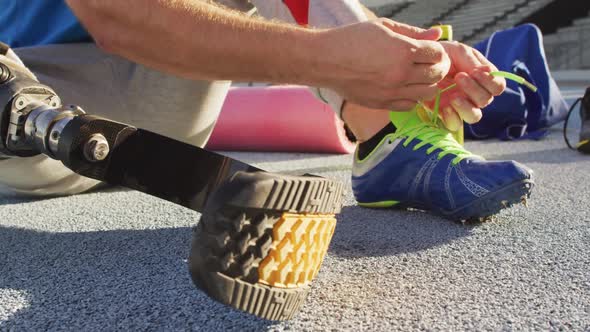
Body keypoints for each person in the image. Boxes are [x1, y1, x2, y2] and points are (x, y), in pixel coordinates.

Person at [0, 0, 533, 319]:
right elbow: (115, 14)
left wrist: (411, 65)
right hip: (33, 86)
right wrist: (332, 61)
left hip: (158, 88)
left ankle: (388, 134)